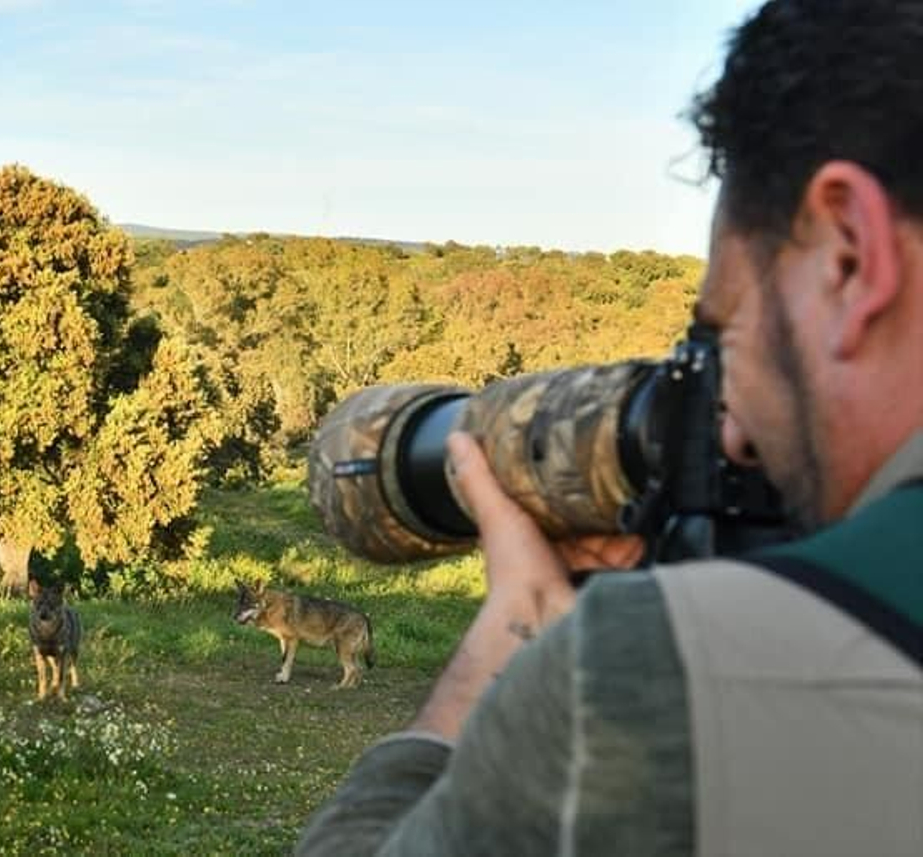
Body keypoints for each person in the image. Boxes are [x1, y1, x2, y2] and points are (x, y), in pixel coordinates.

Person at [297, 2, 923, 855]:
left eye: (729, 330)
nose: (733, 434)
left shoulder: (654, 676)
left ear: (849, 254)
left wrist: (513, 639)